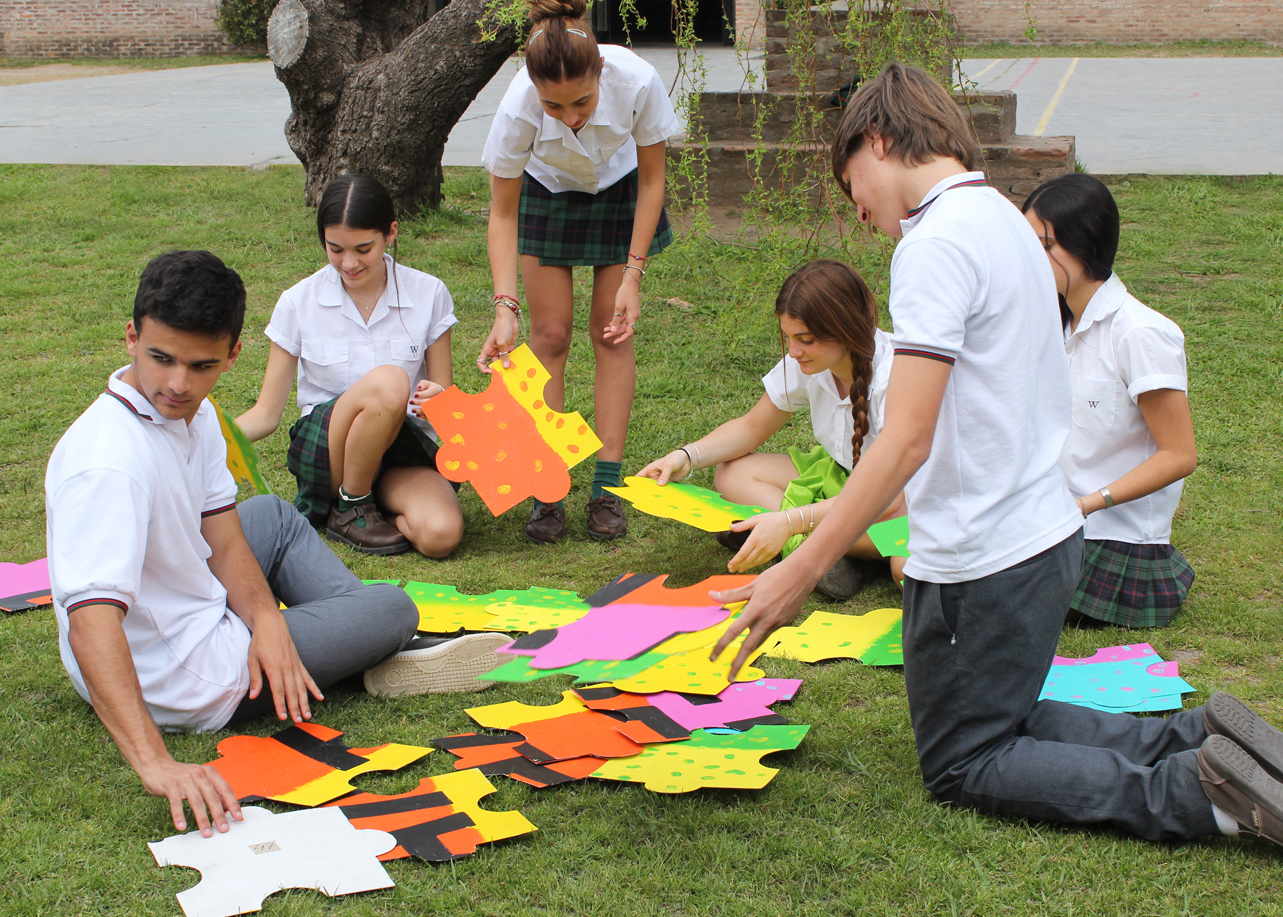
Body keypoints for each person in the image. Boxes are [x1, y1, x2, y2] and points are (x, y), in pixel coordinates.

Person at [707, 62, 1283, 848]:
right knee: (1002, 715)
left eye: (853, 190)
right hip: (1037, 535)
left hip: (983, 559)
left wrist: (800, 568)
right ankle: (1195, 739)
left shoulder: (934, 242)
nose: (862, 216)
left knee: (965, 759)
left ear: (876, 140)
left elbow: (904, 437)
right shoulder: (1007, 219)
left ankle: (1200, 795)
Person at [46, 251, 507, 838]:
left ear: (232, 355)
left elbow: (224, 533)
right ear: (131, 337)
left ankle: (363, 643)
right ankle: (384, 645)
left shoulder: (197, 415)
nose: (177, 385)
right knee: (392, 608)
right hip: (182, 676)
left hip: (186, 610)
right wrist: (155, 762)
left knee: (269, 515)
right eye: (161, 359)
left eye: (201, 365)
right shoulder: (107, 465)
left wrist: (267, 622)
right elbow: (90, 622)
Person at [478, 0, 681, 544]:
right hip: (546, 191)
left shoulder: (637, 81)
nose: (570, 116)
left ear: (602, 73)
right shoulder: (518, 106)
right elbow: (502, 212)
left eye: (583, 101)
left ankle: (607, 485)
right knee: (548, 335)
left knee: (611, 333)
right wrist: (504, 307)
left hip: (622, 190)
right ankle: (548, 484)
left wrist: (633, 276)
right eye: (554, 106)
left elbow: (653, 180)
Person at [636, 259, 907, 600]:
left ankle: (813, 545)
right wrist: (686, 456)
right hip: (844, 478)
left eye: (805, 339)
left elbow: (888, 496)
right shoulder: (809, 361)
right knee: (734, 472)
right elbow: (751, 426)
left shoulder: (896, 375)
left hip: (902, 499)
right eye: (789, 338)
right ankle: (830, 550)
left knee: (906, 569)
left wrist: (793, 520)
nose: (793, 351)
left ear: (845, 328)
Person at [237, 173, 462, 558]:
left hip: (400, 449)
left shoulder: (429, 292)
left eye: (363, 248)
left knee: (441, 536)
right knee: (390, 381)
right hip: (329, 451)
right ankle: (350, 505)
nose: (349, 262)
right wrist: (197, 439)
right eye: (335, 248)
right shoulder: (298, 301)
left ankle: (368, 508)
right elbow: (266, 413)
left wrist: (439, 399)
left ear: (391, 233)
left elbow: (447, 400)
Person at [1021, 173, 1197, 628]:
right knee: (929, 542)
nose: (1029, 258)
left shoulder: (1141, 333)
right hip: (1050, 521)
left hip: (1113, 539)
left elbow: (1179, 455)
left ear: (1085, 246)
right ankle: (858, 550)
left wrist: (1085, 505)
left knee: (991, 597)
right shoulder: (1052, 326)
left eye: (1043, 245)